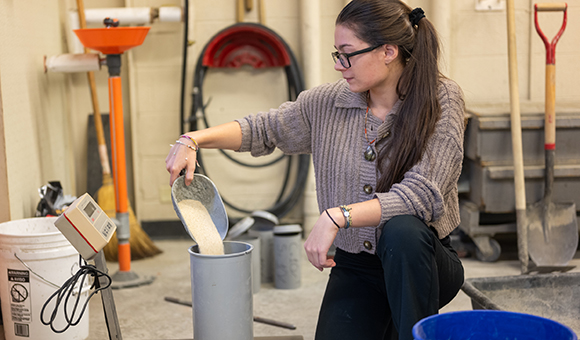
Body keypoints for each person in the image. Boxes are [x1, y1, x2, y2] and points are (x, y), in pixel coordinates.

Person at [166, 0, 465, 339]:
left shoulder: (442, 98)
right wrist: (193, 139)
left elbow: (421, 196)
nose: (340, 65)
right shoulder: (327, 103)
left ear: (388, 51)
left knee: (402, 231)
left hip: (422, 260)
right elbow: (264, 129)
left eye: (347, 53)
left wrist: (337, 216)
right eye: (336, 54)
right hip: (358, 268)